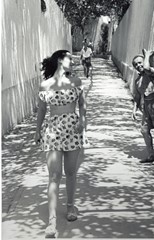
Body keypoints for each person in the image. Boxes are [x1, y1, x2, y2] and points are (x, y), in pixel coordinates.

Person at [35, 50, 88, 238]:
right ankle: (51, 221)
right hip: (52, 131)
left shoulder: (76, 82)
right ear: (59, 60)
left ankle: (71, 206)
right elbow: (42, 109)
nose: (72, 62)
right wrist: (37, 130)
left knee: (71, 172)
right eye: (69, 59)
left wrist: (82, 121)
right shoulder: (45, 85)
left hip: (72, 129)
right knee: (54, 175)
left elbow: (82, 104)